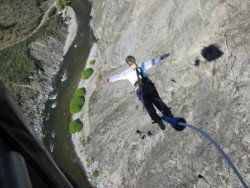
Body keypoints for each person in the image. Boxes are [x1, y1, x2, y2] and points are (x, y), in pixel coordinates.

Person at [100, 54, 173, 130]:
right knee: (158, 101)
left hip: (139, 90)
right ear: (135, 60)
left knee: (149, 107)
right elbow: (152, 61)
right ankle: (169, 114)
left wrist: (108, 80)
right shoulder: (142, 65)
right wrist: (161, 57)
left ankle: (158, 120)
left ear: (128, 64)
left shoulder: (126, 72)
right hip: (148, 85)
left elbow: (118, 77)